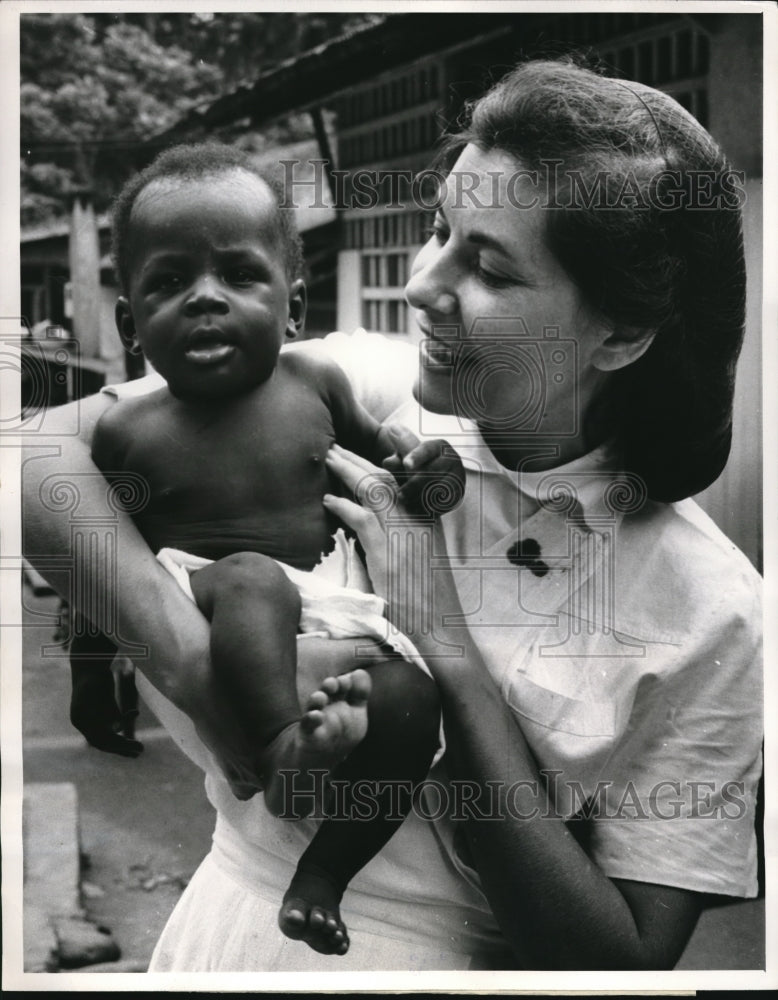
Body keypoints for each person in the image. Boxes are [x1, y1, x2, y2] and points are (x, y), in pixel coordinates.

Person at [23, 58, 762, 971]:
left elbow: (621, 964)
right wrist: (186, 660)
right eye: (438, 229)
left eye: (486, 264)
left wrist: (444, 646)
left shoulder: (713, 613)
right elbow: (35, 452)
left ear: (620, 332)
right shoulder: (356, 391)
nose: (420, 284)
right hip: (227, 941)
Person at [63, 142, 465, 957]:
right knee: (251, 579)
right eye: (171, 283)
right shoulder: (123, 434)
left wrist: (435, 471)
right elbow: (96, 569)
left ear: (292, 304)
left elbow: (399, 466)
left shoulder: (317, 383)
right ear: (130, 324)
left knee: (416, 705)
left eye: (240, 276)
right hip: (219, 602)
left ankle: (323, 876)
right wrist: (88, 677)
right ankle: (286, 752)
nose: (206, 300)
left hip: (336, 609)